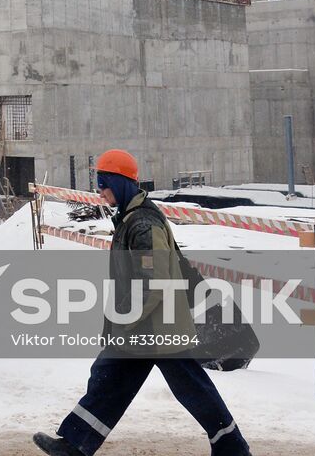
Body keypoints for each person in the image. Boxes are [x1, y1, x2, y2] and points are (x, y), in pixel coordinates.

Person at [32, 149, 252, 456]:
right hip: (149, 323)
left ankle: (233, 448)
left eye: (103, 182)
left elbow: (153, 280)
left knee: (184, 386)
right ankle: (74, 445)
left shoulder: (143, 224)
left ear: (120, 182)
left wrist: (124, 318)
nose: (100, 189)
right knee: (112, 378)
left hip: (154, 325)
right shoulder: (132, 217)